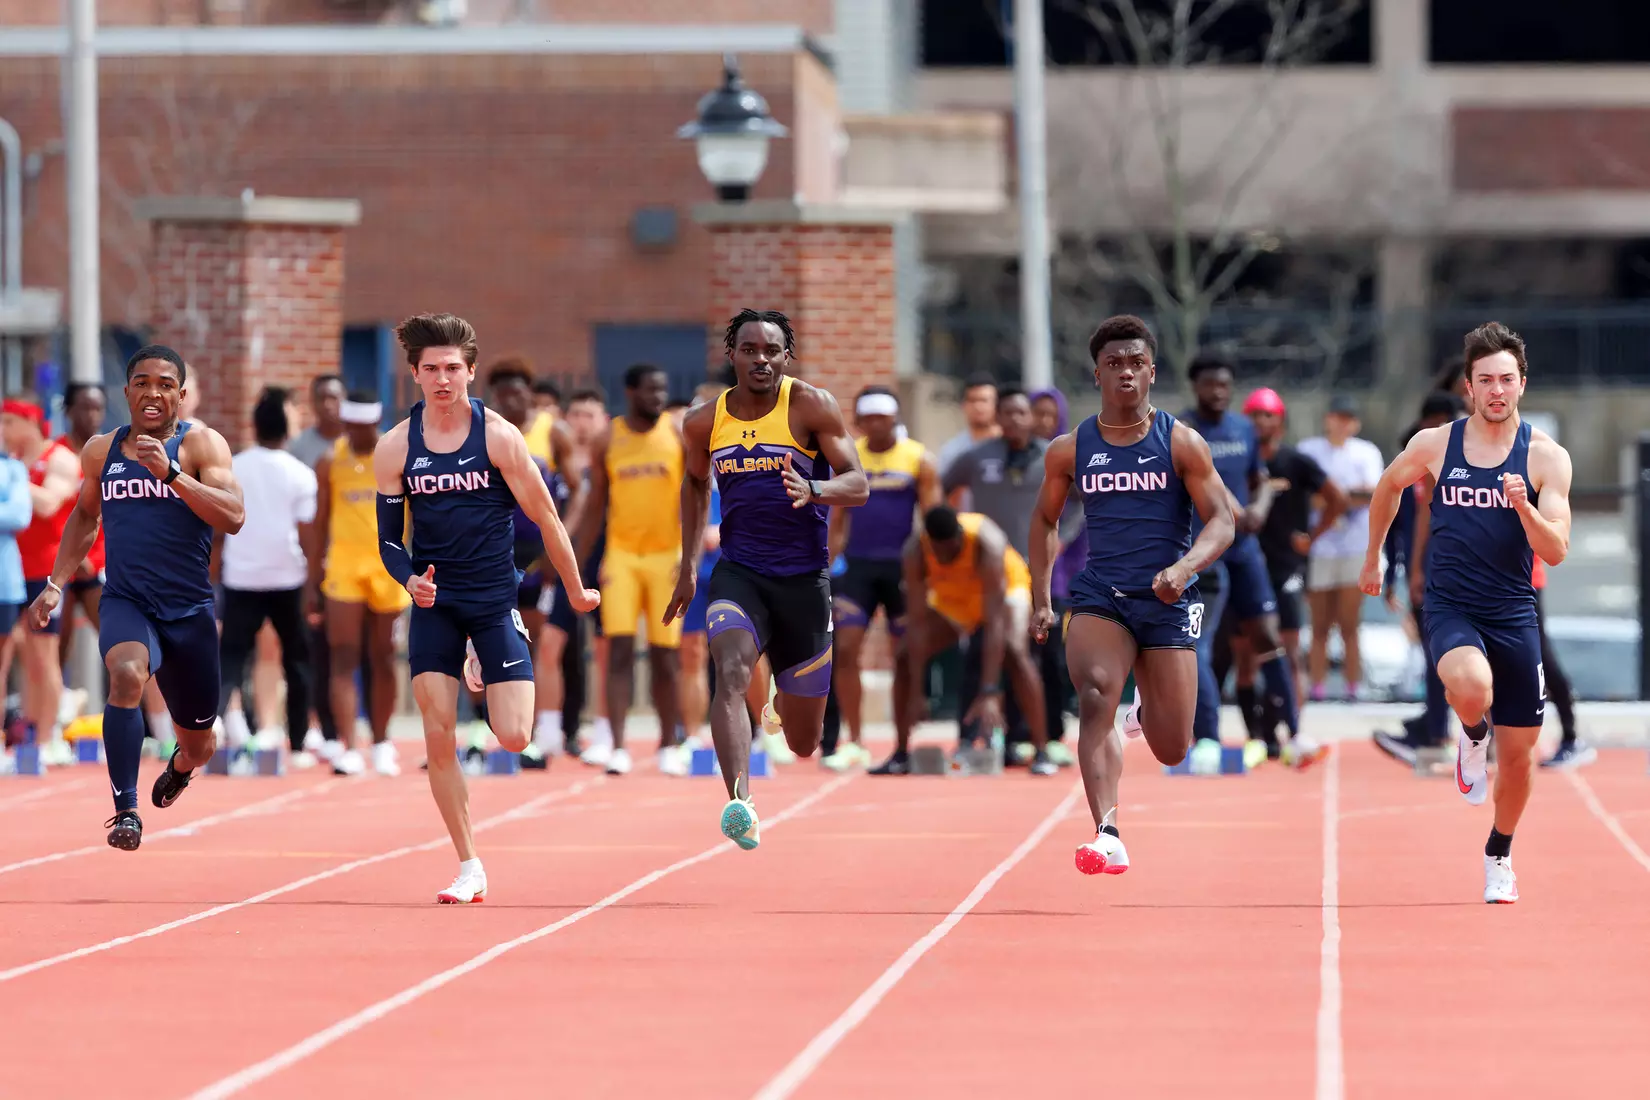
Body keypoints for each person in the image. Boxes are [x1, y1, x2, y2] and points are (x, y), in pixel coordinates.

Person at [373, 313, 596, 903]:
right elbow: (390, 540)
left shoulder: (499, 437)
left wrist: (575, 590)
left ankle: (488, 650)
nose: (443, 380)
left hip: (495, 600)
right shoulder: (396, 446)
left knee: (516, 737)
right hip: (437, 605)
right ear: (415, 375)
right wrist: (407, 579)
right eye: (431, 370)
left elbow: (547, 516)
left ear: (470, 371)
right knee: (438, 734)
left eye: (453, 369)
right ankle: (469, 863)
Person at [1360, 322, 1573, 904]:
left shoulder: (1547, 458)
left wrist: (1524, 509)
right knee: (1469, 683)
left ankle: (1499, 852)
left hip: (1513, 612)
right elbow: (1387, 488)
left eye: (1507, 379)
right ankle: (1470, 731)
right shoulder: (1437, 444)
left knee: (1521, 759)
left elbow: (1556, 547)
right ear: (1469, 388)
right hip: (1452, 604)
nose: (1497, 390)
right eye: (1486, 380)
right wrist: (1375, 554)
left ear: (1521, 385)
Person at [1029, 315, 1234, 876]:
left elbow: (1222, 522)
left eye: (1136, 363)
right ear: (1097, 373)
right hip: (1101, 595)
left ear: (1151, 371)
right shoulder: (1070, 450)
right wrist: (1042, 596)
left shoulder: (1181, 441)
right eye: (1114, 363)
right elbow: (1045, 521)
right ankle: (1108, 831)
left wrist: (1184, 567)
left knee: (1173, 748)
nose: (1125, 373)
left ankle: (1147, 709)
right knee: (1095, 697)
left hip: (1167, 600)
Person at [28, 345, 245, 850]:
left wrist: (170, 474)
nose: (153, 393)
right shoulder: (101, 451)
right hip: (128, 600)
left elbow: (233, 516)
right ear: (126, 392)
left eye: (165, 384)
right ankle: (126, 811)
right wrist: (56, 583)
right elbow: (84, 515)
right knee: (126, 675)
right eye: (142, 382)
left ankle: (180, 766)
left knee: (201, 744)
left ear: (181, 395)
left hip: (189, 611)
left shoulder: (202, 446)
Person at [665, 309, 867, 850]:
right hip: (740, 572)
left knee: (804, 742)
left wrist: (816, 490)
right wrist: (688, 567)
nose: (761, 360)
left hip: (803, 580)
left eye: (772, 351)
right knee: (729, 669)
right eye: (750, 349)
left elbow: (858, 483)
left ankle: (783, 698)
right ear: (732, 354)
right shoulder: (704, 421)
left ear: (786, 356)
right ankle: (740, 801)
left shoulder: (810, 405)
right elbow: (692, 483)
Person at [1180, 357, 1314, 769]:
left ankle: (1295, 734)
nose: (1218, 392)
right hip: (1202, 549)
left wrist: (1260, 505)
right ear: (1195, 387)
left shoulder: (1243, 429)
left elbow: (1260, 480)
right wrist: (1235, 511)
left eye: (1224, 384)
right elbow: (1199, 482)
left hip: (1244, 552)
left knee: (1268, 638)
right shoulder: (1181, 430)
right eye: (1209, 385)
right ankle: (1207, 739)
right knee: (1200, 645)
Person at [881, 507, 1054, 776]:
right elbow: (915, 623)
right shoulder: (915, 550)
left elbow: (993, 622)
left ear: (959, 538)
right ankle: (901, 752)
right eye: (936, 552)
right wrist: (917, 693)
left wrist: (988, 691)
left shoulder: (987, 542)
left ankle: (1041, 750)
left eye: (949, 552)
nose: (942, 557)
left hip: (1004, 589)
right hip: (957, 598)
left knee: (1015, 651)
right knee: (904, 655)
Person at [576, 363, 687, 777]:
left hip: (666, 559)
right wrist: (574, 561)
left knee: (666, 657)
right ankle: (619, 746)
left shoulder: (676, 435)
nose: (658, 397)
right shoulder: (609, 438)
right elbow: (594, 507)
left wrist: (689, 557)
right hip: (622, 557)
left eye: (663, 389)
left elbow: (694, 496)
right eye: (650, 390)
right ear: (630, 392)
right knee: (617, 651)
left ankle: (668, 745)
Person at [826, 386, 940, 772]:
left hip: (901, 570)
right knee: (845, 650)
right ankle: (854, 740)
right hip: (857, 567)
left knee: (903, 658)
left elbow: (931, 521)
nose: (876, 425)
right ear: (858, 422)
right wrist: (827, 563)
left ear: (895, 419)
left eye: (883, 418)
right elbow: (837, 519)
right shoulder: (848, 455)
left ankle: (902, 742)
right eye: (868, 418)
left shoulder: (918, 459)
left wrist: (928, 573)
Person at [486, 359, 585, 768]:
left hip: (541, 554)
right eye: (503, 392)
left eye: (517, 390)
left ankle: (549, 732)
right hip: (496, 553)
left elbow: (580, 491)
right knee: (503, 641)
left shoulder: (553, 431)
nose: (511, 398)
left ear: (529, 391)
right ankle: (502, 731)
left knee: (546, 643)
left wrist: (559, 539)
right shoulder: (487, 432)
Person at [306, 390, 407, 776]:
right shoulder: (331, 460)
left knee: (382, 657)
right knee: (344, 657)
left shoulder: (397, 455)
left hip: (389, 568)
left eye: (366, 428)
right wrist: (312, 582)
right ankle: (349, 745)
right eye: (353, 427)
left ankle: (382, 741)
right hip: (345, 570)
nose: (358, 434)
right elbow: (319, 524)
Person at [1244, 387, 1348, 753]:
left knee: (1288, 648)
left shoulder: (1296, 461)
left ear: (1280, 421)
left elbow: (1338, 498)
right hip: (1248, 565)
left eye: (1267, 415)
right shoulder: (1241, 461)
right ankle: (1260, 731)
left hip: (1288, 568)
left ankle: (1295, 729)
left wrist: (1312, 536)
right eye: (1254, 415)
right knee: (1250, 651)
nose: (1260, 423)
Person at [217, 389, 316, 758]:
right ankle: (300, 742)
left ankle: (210, 728)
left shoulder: (234, 467)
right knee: (297, 661)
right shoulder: (301, 474)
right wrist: (314, 583)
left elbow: (217, 528)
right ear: (286, 426)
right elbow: (307, 533)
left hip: (241, 576)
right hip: (287, 578)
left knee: (230, 658)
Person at [6, 397, 81, 765]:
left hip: (45, 570)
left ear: (30, 423)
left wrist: (13, 477)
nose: (2, 432)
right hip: (11, 569)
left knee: (43, 656)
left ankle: (48, 735)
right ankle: (28, 732)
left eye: (8, 423)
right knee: (17, 652)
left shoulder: (59, 458)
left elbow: (51, 503)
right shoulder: (11, 465)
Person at [1298, 396, 1385, 700]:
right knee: (1319, 624)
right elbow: (1304, 494)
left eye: (1348, 418)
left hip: (1354, 545)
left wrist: (1334, 499)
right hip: (1320, 545)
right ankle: (1317, 685)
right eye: (1337, 416)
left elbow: (1373, 493)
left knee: (1350, 622)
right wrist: (1344, 498)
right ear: (1328, 419)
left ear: (1355, 423)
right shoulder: (1309, 451)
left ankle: (1352, 686)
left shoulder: (1366, 452)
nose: (1341, 423)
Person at [287, 374, 347, 755]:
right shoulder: (299, 448)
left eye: (334, 398)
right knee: (316, 649)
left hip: (355, 557)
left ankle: (366, 731)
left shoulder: (359, 445)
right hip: (312, 560)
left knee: (356, 650)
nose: (328, 405)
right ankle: (323, 727)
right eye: (321, 398)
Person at [56, 382, 108, 670]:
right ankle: (53, 712)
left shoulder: (110, 455)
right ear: (69, 411)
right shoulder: (56, 454)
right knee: (56, 649)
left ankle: (144, 715)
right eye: (85, 407)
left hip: (97, 566)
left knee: (120, 644)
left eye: (98, 408)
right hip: (62, 567)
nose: (92, 415)